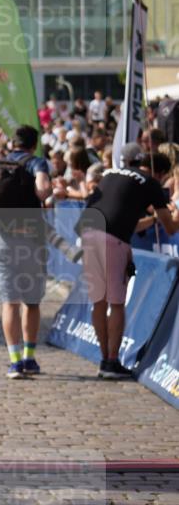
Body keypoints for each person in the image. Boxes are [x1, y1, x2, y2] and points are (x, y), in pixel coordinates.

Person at [79, 149, 179, 379]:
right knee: (116, 303)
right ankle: (112, 361)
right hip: (113, 241)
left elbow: (128, 223)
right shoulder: (151, 183)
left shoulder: (112, 173)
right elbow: (171, 228)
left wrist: (152, 219)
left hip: (88, 233)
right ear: (161, 173)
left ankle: (104, 359)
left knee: (99, 302)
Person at [0, 124, 52, 379]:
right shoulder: (36, 162)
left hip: (1, 239)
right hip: (30, 239)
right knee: (32, 302)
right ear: (33, 144)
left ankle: (14, 361)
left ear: (12, 143)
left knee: (9, 302)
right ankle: (29, 357)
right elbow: (43, 190)